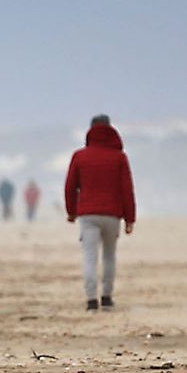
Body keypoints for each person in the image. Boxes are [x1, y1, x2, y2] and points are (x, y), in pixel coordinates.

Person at [64, 119, 136, 311]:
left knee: (89, 256)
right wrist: (130, 218)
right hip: (112, 213)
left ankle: (91, 301)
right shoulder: (119, 157)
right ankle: (106, 297)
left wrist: (71, 212)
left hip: (88, 213)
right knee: (109, 256)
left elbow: (70, 187)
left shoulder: (79, 157)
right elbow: (127, 189)